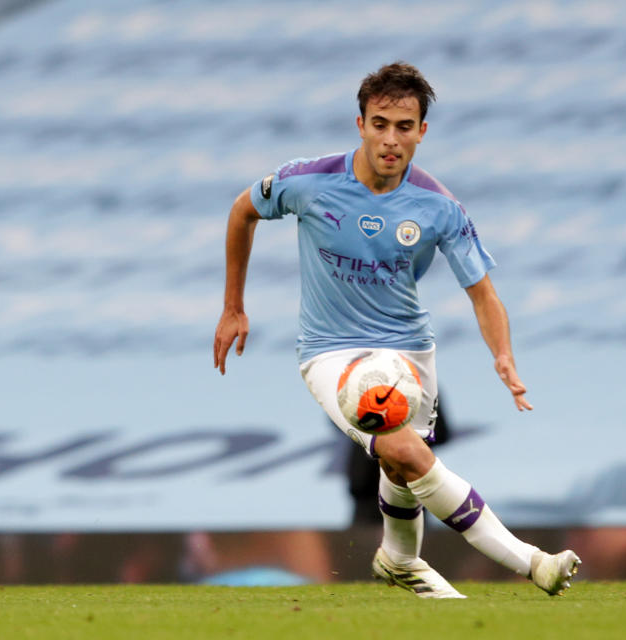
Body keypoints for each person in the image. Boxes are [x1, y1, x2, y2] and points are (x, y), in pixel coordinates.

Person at [213, 61, 580, 598]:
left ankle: (400, 561)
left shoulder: (439, 206)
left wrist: (502, 355)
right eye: (380, 123)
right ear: (359, 124)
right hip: (330, 353)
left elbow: (482, 291)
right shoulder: (308, 181)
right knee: (405, 450)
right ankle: (533, 564)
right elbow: (243, 211)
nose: (391, 139)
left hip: (411, 350)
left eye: (404, 127)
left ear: (422, 132)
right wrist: (232, 307)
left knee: (405, 465)